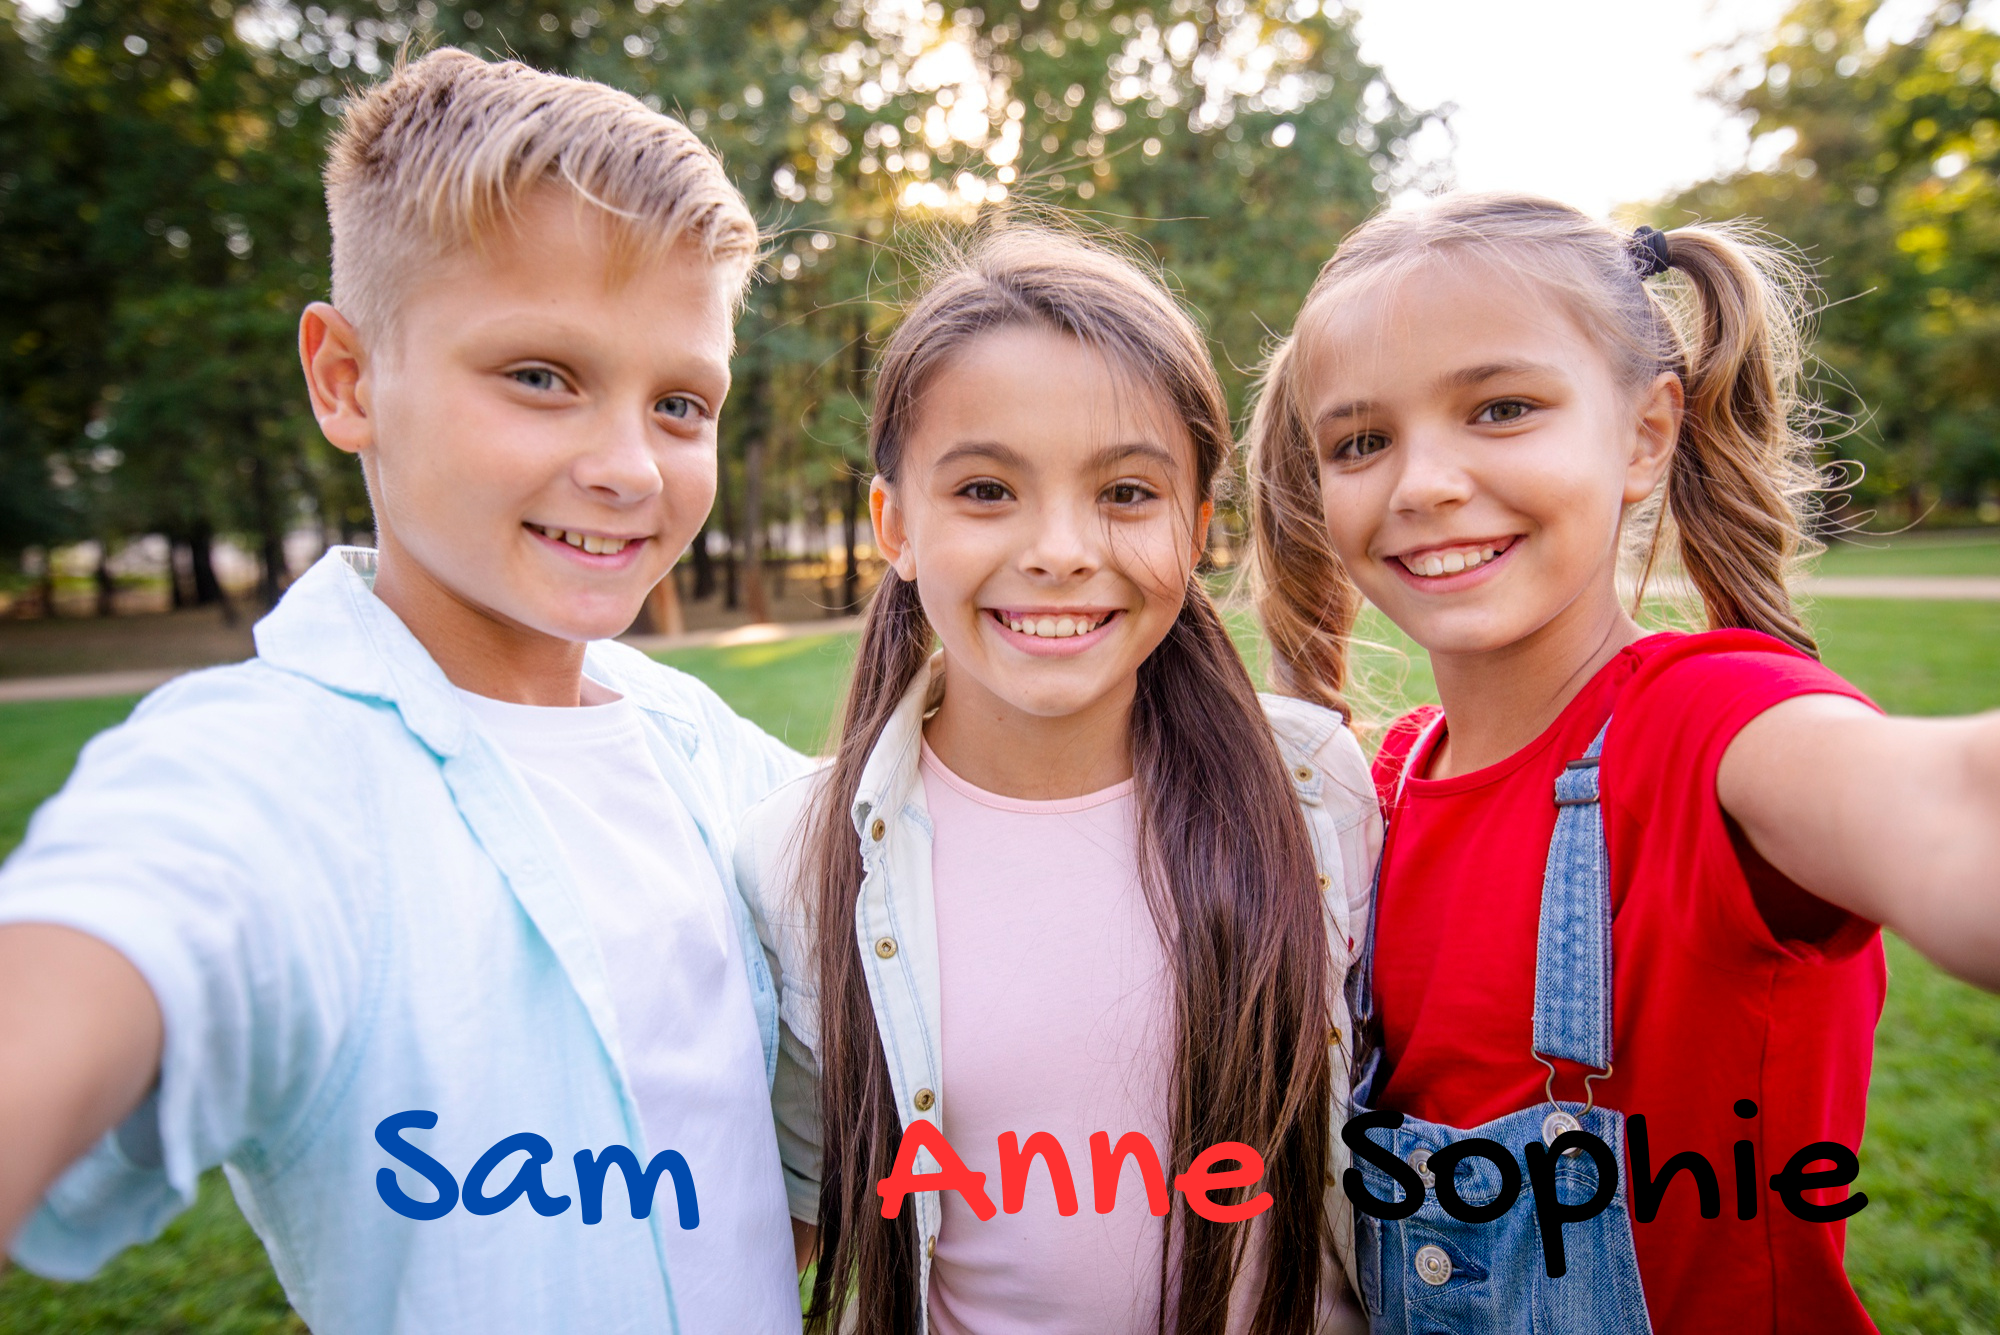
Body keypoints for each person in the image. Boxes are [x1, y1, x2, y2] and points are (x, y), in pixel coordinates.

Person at [0, 50, 812, 1334]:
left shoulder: (694, 744)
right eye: (541, 376)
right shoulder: (265, 775)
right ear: (346, 379)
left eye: (678, 402)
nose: (627, 468)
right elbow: (130, 925)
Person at [1245, 192, 2000, 1334]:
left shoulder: (1712, 724)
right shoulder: (1382, 784)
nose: (1422, 483)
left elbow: (1949, 805)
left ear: (1645, 435)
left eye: (1500, 409)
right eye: (1361, 441)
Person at [733, 228, 1380, 1335]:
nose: (1061, 549)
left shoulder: (1314, 789)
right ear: (894, 525)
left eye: (1126, 492)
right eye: (987, 489)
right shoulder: (798, 852)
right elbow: (796, 1211)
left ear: (1196, 529)